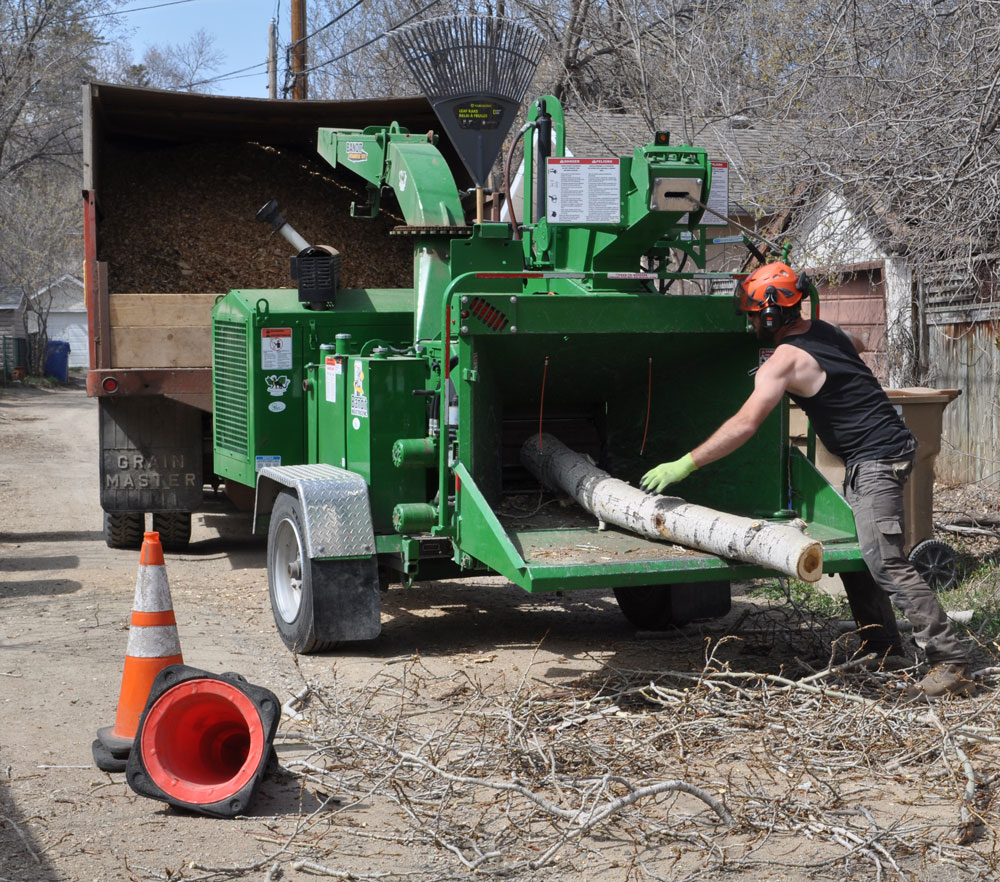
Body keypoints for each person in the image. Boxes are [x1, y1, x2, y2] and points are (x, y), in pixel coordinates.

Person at [640, 261, 973, 698]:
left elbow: (744, 425)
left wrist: (685, 463)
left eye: (754, 314)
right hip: (882, 449)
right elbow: (853, 343)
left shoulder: (784, 360)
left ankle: (950, 661)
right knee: (869, 549)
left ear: (773, 313)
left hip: (876, 458)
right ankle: (885, 646)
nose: (751, 322)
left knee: (886, 561)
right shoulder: (825, 330)